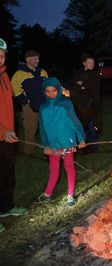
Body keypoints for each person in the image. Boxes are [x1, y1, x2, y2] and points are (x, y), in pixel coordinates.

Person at [36, 77, 86, 208]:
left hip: (67, 141)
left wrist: (81, 138)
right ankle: (48, 193)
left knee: (69, 167)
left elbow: (75, 121)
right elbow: (42, 127)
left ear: (58, 90)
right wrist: (45, 144)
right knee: (54, 169)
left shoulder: (66, 103)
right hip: (53, 143)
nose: (51, 93)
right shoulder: (43, 107)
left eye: (54, 90)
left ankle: (70, 195)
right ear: (44, 91)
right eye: (48, 91)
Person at [0, 38, 29, 232]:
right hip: (3, 133)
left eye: (2, 55)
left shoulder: (4, 76)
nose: (0, 58)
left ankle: (5, 207)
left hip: (6, 135)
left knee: (6, 172)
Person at [11, 50, 48, 155]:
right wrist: (25, 100)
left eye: (38, 58)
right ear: (28, 59)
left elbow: (48, 86)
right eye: (35, 58)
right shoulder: (19, 74)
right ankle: (29, 151)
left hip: (44, 105)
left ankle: (49, 147)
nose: (38, 60)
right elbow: (14, 89)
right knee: (30, 128)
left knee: (47, 126)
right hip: (29, 107)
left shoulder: (42, 72)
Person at [70, 54, 101, 153]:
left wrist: (83, 85)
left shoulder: (96, 74)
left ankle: (94, 146)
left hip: (92, 105)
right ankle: (83, 146)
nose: (91, 64)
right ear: (84, 63)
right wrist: (83, 86)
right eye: (89, 62)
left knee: (93, 126)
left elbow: (94, 86)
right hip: (80, 104)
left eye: (93, 63)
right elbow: (74, 87)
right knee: (82, 126)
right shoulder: (78, 74)